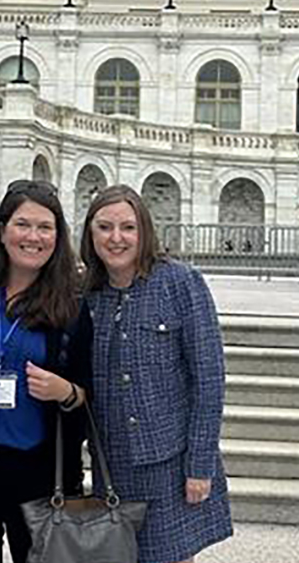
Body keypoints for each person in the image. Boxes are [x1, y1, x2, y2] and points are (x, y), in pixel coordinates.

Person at [80, 185, 233, 563]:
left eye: (128, 227)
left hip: (170, 464)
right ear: (90, 234)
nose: (116, 238)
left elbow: (208, 380)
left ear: (144, 231)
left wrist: (200, 466)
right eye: (104, 227)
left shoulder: (180, 282)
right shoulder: (86, 293)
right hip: (112, 464)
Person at [0, 180, 92, 563]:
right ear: (2, 231)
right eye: (22, 224)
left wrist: (66, 391)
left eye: (45, 227)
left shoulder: (73, 304)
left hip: (38, 470)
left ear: (58, 237)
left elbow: (91, 390)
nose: (33, 237)